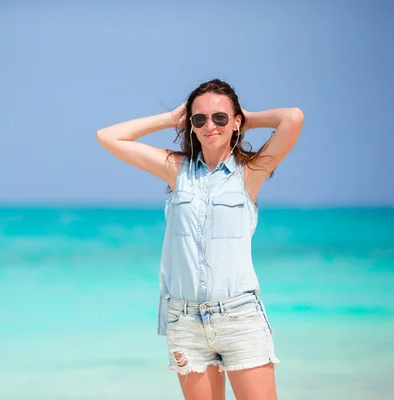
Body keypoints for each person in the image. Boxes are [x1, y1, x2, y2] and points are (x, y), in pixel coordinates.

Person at [96, 79, 304, 400]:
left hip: (239, 317)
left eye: (220, 117)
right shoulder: (175, 169)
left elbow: (292, 118)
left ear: (235, 123)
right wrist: (169, 119)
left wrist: (246, 115)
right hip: (185, 320)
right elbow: (108, 137)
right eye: (199, 119)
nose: (210, 125)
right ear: (190, 125)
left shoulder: (250, 172)